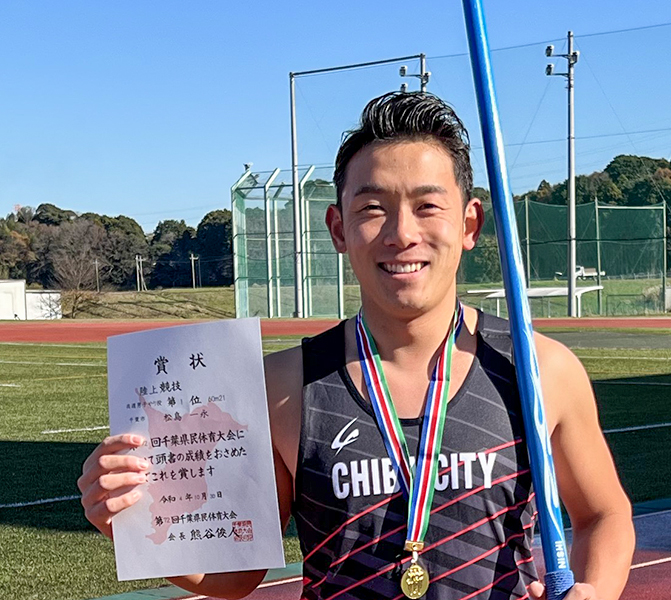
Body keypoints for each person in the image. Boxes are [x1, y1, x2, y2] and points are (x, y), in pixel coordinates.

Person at [79, 92, 635, 600]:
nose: (401, 233)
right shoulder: (280, 388)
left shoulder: (539, 369)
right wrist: (132, 520)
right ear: (339, 228)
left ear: (470, 224)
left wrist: (596, 591)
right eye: (372, 208)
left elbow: (603, 514)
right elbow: (235, 574)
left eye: (427, 206)